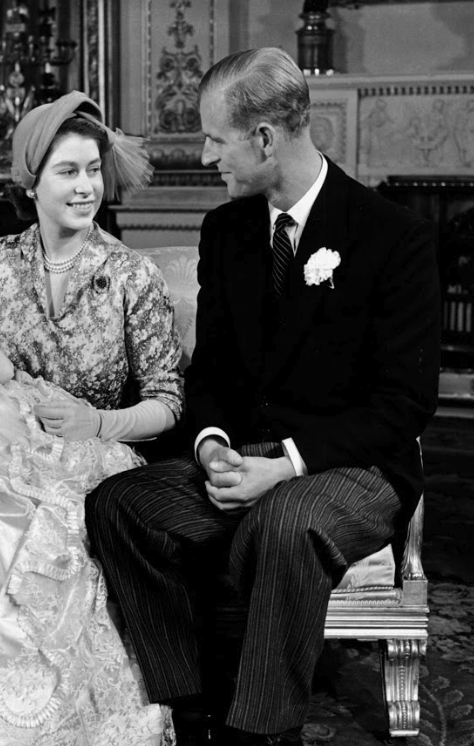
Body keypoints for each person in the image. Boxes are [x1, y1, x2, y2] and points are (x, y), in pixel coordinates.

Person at [85, 48, 441, 746]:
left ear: (265, 139)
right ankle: (185, 705)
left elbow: (403, 406)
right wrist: (213, 444)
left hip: (354, 469)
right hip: (247, 455)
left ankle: (261, 732)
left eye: (217, 139)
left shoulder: (393, 237)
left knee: (283, 521)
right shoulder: (225, 232)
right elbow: (211, 373)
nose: (208, 155)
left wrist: (285, 466)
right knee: (119, 507)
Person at [0, 90, 183, 746]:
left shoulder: (132, 274)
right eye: (68, 172)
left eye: (92, 171)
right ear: (32, 181)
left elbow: (168, 404)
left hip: (94, 457)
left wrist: (95, 423)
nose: (86, 188)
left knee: (56, 543)